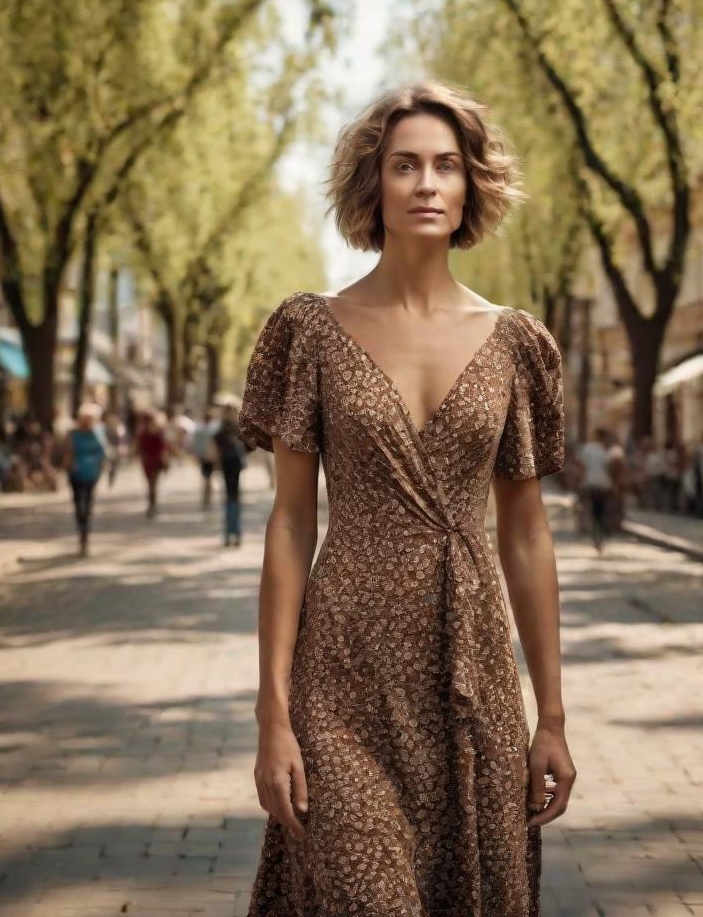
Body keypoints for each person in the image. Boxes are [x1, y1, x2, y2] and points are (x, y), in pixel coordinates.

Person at [237, 82, 574, 913]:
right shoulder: (308, 330)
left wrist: (554, 717)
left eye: (446, 166)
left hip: (473, 675)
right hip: (342, 675)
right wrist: (271, 712)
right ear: (372, 186)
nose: (427, 183)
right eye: (405, 166)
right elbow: (288, 524)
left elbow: (526, 536)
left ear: (471, 187)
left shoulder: (516, 342)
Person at [61, 403, 108, 556]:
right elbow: (67, 452)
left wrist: (102, 470)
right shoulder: (72, 434)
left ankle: (84, 536)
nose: (88, 422)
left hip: (91, 474)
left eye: (91, 419)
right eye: (85, 419)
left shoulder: (98, 433)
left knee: (87, 505)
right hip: (76, 473)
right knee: (78, 504)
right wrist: (67, 466)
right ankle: (82, 531)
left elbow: (103, 453)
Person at [212, 403, 246, 546]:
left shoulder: (223, 430)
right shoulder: (236, 430)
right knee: (233, 499)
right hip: (231, 467)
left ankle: (231, 533)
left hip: (230, 467)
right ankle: (233, 532)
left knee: (231, 499)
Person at [577, 427, 614, 552]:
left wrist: (580, 482)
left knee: (591, 510)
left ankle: (595, 535)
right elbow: (609, 468)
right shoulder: (604, 450)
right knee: (600, 510)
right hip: (603, 483)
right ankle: (600, 536)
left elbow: (582, 467)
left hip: (589, 482)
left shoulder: (587, 449)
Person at [135, 410, 169, 518]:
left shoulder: (145, 432)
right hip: (151, 461)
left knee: (152, 484)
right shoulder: (155, 432)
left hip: (151, 461)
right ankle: (152, 504)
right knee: (152, 484)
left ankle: (152, 504)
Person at [190, 408, 221, 510]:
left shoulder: (203, 429)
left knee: (207, 477)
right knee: (207, 477)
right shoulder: (213, 429)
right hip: (207, 457)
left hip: (206, 456)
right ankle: (207, 496)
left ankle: (207, 497)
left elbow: (196, 444)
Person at [102, 410, 125, 487]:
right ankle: (110, 478)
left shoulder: (119, 428)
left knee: (115, 465)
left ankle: (112, 478)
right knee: (110, 465)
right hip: (109, 448)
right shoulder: (105, 428)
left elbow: (121, 439)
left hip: (116, 448)